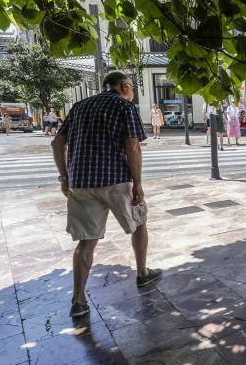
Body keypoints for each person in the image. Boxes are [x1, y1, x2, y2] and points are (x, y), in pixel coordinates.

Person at [50, 70, 162, 318]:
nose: (132, 92)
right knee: (139, 224)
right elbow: (132, 145)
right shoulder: (124, 106)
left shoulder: (79, 106)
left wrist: (64, 176)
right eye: (131, 87)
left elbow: (57, 143)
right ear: (124, 86)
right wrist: (138, 183)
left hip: (81, 182)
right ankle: (142, 273)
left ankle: (78, 300)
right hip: (116, 180)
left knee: (86, 241)